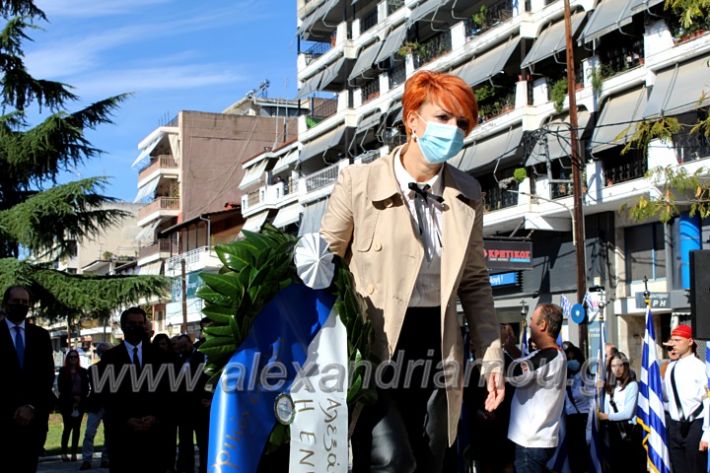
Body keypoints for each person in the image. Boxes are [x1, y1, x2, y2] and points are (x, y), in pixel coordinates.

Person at [320, 70, 504, 473]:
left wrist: (491, 358)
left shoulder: (468, 194)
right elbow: (322, 266)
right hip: (374, 346)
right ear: (412, 120)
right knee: (393, 460)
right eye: (443, 118)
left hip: (438, 348)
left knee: (430, 459)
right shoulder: (358, 182)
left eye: (462, 123)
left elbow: (475, 282)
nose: (453, 130)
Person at [96, 307, 167, 473]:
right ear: (123, 326)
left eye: (141, 323)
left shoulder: (159, 355)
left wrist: (154, 416)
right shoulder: (110, 358)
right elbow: (106, 395)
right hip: (122, 434)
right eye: (132, 323)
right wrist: (126, 419)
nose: (137, 327)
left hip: (153, 433)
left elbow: (166, 391)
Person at [0, 285, 55, 473]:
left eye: (25, 302)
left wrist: (31, 407)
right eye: (16, 301)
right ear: (6, 303)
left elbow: (47, 376)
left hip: (33, 423)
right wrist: (13, 410)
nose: (20, 305)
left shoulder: (41, 336)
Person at [507, 304, 567, 473]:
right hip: (533, 441)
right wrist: (509, 347)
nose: (529, 324)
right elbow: (527, 362)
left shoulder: (551, 355)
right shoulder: (549, 354)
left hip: (531, 443)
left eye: (532, 320)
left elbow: (516, 372)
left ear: (542, 325)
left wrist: (494, 347)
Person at [663, 324, 709, 472]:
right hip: (675, 426)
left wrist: (707, 434)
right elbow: (666, 397)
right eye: (672, 340)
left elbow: (707, 401)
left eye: (678, 340)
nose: (673, 344)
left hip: (695, 425)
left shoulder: (699, 367)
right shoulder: (670, 367)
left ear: (690, 342)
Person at [597, 352, 645, 472]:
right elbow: (605, 408)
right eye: (613, 366)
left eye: (620, 365)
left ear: (625, 366)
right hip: (611, 431)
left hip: (627, 431)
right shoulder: (610, 387)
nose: (617, 369)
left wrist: (606, 416)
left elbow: (628, 413)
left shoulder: (632, 385)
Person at [174, 334, 210, 473]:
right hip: (184, 408)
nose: (182, 349)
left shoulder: (202, 357)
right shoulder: (178, 359)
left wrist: (208, 397)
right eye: (180, 347)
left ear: (190, 342)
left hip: (200, 406)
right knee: (185, 441)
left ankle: (204, 468)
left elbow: (207, 378)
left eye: (184, 346)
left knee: (203, 441)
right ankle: (186, 468)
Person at [80, 342, 112, 471]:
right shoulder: (93, 369)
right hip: (96, 404)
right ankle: (87, 459)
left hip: (109, 405)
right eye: (101, 352)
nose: (103, 354)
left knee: (109, 434)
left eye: (106, 352)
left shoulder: (116, 368)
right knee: (89, 432)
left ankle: (106, 458)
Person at [562, 342, 591, 473]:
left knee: (580, 450)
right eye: (567, 357)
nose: (570, 360)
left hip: (582, 417)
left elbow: (581, 396)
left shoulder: (583, 375)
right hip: (569, 417)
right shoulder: (566, 375)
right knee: (572, 451)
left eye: (572, 357)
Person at [57, 349, 90, 462]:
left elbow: (86, 388)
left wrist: (80, 398)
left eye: (75, 357)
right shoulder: (63, 371)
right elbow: (61, 388)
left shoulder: (83, 371)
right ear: (68, 359)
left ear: (78, 358)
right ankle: (64, 453)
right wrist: (73, 397)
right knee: (67, 428)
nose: (73, 359)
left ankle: (74, 453)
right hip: (67, 403)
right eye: (71, 357)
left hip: (80, 404)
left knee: (77, 429)